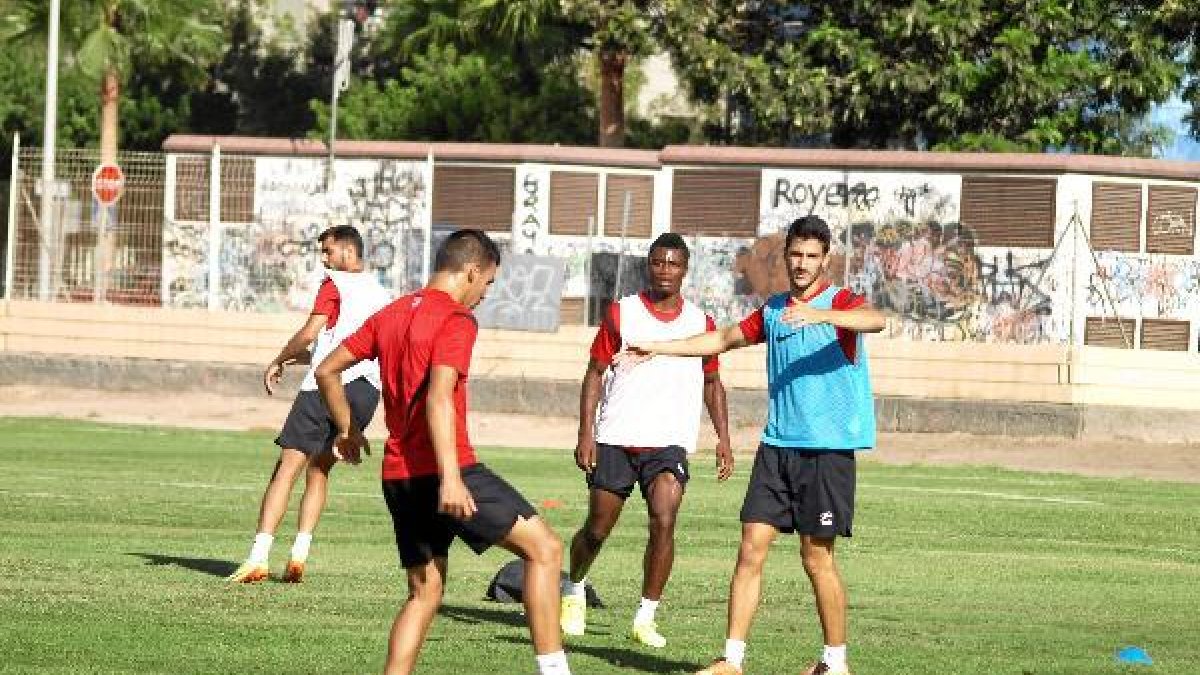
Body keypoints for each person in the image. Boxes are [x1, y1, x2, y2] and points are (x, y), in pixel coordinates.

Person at [624, 216, 885, 675]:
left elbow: (875, 320)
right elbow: (723, 338)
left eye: (812, 256)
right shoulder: (774, 310)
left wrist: (821, 315)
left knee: (816, 557)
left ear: (825, 260)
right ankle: (732, 661)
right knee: (750, 547)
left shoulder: (840, 303)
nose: (802, 264)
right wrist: (660, 347)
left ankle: (835, 663)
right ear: (785, 256)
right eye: (796, 254)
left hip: (826, 452)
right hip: (776, 448)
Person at [314, 229, 572, 675]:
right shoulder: (456, 319)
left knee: (424, 594)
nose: (485, 293)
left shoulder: (391, 313)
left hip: (399, 477)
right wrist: (451, 479)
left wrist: (348, 430)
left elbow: (326, 370)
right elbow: (439, 397)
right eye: (487, 282)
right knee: (545, 549)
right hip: (448, 471)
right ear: (472, 271)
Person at [560, 233, 734, 649]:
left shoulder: (702, 323)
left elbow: (712, 383)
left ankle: (646, 616)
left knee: (664, 519)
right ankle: (575, 588)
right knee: (597, 529)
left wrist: (724, 439)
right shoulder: (623, 313)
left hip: (669, 441)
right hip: (617, 437)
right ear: (648, 266)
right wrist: (586, 432)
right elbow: (594, 373)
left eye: (673, 264)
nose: (665, 270)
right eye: (658, 262)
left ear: (685, 270)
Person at [228, 225, 390, 584]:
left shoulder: (335, 284)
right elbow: (347, 346)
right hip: (366, 391)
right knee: (319, 471)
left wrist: (278, 358)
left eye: (328, 251)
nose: (324, 260)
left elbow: (309, 334)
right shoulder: (381, 293)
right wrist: (294, 359)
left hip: (325, 388)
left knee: (286, 470)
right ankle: (299, 556)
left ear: (348, 251)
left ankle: (258, 558)